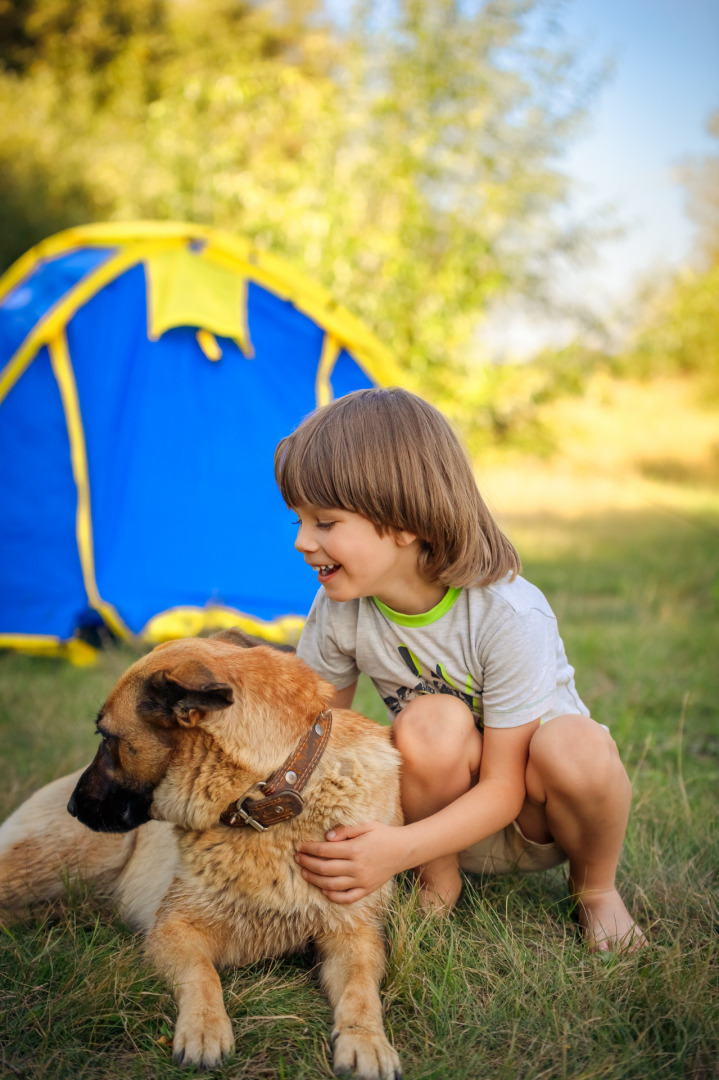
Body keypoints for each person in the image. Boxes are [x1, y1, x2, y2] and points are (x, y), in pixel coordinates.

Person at [274, 387, 646, 951]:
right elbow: (309, 740)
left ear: (402, 522)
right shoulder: (339, 608)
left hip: (535, 816)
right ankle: (437, 886)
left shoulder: (508, 613)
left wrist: (394, 849)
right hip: (439, 817)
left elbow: (504, 787)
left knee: (577, 745)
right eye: (299, 520)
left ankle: (596, 891)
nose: (303, 542)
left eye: (325, 522)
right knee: (431, 719)